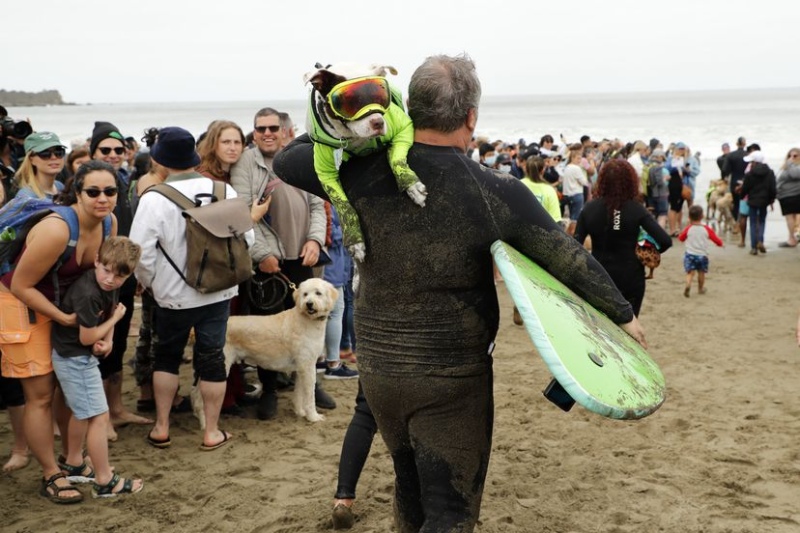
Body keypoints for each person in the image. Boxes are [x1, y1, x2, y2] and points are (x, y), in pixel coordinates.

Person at [274, 53, 648, 533]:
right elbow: (568, 258)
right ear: (471, 117)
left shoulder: (359, 171)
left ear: (406, 109)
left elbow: (289, 157)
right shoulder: (494, 190)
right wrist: (623, 316)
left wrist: (344, 103)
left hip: (381, 372)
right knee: (450, 514)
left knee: (411, 495)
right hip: (450, 380)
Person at [0, 160, 120, 503]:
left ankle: (73, 461)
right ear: (76, 192)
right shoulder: (56, 229)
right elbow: (21, 285)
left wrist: (104, 332)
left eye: (110, 191)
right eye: (92, 191)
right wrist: (64, 319)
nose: (102, 198)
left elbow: (106, 281)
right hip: (20, 302)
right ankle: (52, 474)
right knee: (39, 394)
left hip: (64, 304)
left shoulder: (110, 222)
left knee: (67, 388)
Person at [130, 126, 256, 451]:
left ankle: (161, 427)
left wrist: (151, 283)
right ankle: (211, 431)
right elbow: (248, 238)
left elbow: (139, 251)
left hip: (172, 295)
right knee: (211, 358)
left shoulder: (154, 199)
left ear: (159, 161)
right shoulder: (222, 189)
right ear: (194, 155)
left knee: (167, 358)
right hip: (219, 291)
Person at [229, 108, 335, 421]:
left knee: (311, 328)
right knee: (267, 330)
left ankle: (311, 388)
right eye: (260, 128)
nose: (267, 133)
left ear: (284, 130)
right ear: (254, 132)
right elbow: (243, 210)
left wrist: (315, 240)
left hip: (303, 254)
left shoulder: (299, 157)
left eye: (273, 127)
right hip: (268, 260)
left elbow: (318, 203)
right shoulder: (246, 163)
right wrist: (261, 255)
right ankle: (270, 390)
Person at [51, 236, 144, 497]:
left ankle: (74, 462)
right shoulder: (89, 292)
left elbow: (110, 311)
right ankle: (104, 479)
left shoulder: (108, 284)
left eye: (119, 276)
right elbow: (87, 337)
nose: (110, 279)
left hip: (78, 356)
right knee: (99, 417)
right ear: (96, 262)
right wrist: (113, 321)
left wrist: (109, 339)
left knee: (83, 413)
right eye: (105, 270)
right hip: (74, 358)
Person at [88, 121, 149, 439]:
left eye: (118, 149)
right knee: (97, 349)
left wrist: (135, 273)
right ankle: (99, 417)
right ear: (93, 152)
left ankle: (116, 408)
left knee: (119, 344)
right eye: (105, 150)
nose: (113, 154)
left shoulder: (123, 181)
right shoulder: (89, 187)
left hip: (122, 278)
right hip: (99, 281)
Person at [575, 159, 672, 316]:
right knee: (629, 328)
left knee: (601, 328)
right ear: (631, 181)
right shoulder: (637, 209)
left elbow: (575, 245)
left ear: (602, 181)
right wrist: (645, 248)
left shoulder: (589, 209)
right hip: (631, 275)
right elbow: (665, 241)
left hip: (598, 274)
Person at [320, 204, 358, 380]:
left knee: (328, 313)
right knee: (335, 312)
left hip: (335, 264)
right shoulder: (326, 200)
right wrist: (349, 229)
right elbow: (329, 233)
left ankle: (322, 358)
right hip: (331, 265)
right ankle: (333, 364)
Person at [678, 205, 724, 296]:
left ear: (689, 217)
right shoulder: (706, 229)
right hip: (702, 255)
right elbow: (715, 239)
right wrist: (720, 244)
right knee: (701, 272)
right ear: (702, 216)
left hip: (690, 254)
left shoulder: (688, 228)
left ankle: (688, 284)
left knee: (690, 272)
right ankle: (700, 288)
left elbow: (681, 238)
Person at [739, 150, 777, 255]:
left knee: (753, 222)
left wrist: (742, 197)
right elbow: (773, 188)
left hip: (752, 200)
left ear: (755, 162)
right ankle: (760, 240)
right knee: (762, 221)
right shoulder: (770, 172)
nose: (750, 163)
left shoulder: (750, 174)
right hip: (764, 200)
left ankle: (753, 247)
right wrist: (771, 199)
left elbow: (745, 188)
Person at [13, 132, 67, 199]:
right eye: (45, 153)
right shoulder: (26, 197)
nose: (54, 157)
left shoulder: (60, 186)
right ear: (31, 159)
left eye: (58, 152)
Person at [561, 145, 590, 235]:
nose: (579, 160)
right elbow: (584, 182)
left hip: (568, 194)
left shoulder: (567, 167)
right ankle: (572, 235)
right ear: (572, 158)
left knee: (571, 217)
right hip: (577, 194)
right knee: (575, 219)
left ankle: (569, 234)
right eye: (578, 158)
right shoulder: (576, 168)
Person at [776, 147, 800, 248]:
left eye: (795, 156)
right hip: (784, 195)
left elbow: (795, 175)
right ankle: (792, 237)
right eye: (789, 156)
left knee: (790, 217)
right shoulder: (787, 167)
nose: (791, 158)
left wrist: (790, 163)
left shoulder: (796, 167)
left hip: (792, 195)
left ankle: (792, 239)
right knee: (790, 218)